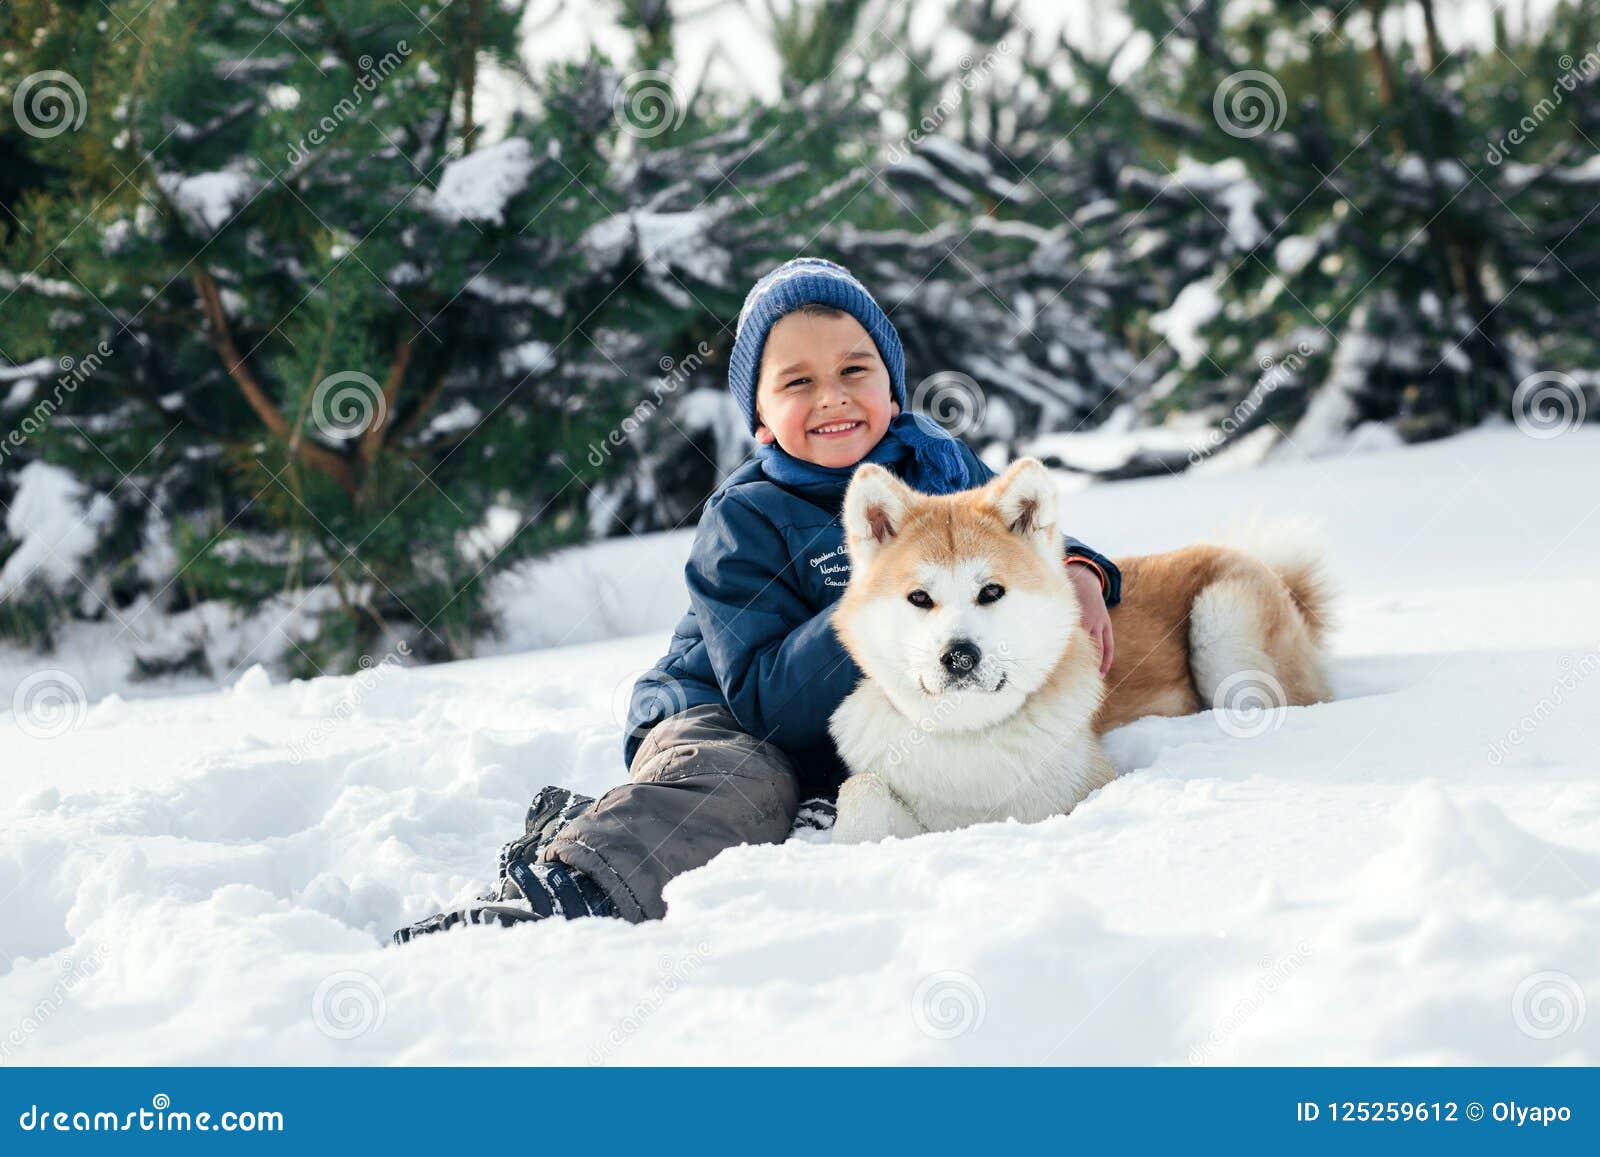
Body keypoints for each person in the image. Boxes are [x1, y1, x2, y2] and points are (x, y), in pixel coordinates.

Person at [392, 257, 1120, 943]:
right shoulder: (746, 516)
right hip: (726, 713)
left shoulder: (936, 462)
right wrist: (873, 613)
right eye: (797, 382)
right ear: (763, 418)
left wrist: (1082, 569)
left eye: (853, 370)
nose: (831, 395)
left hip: (849, 727)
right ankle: (572, 882)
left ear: (893, 390)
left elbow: (1021, 532)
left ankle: (584, 819)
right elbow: (763, 696)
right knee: (747, 791)